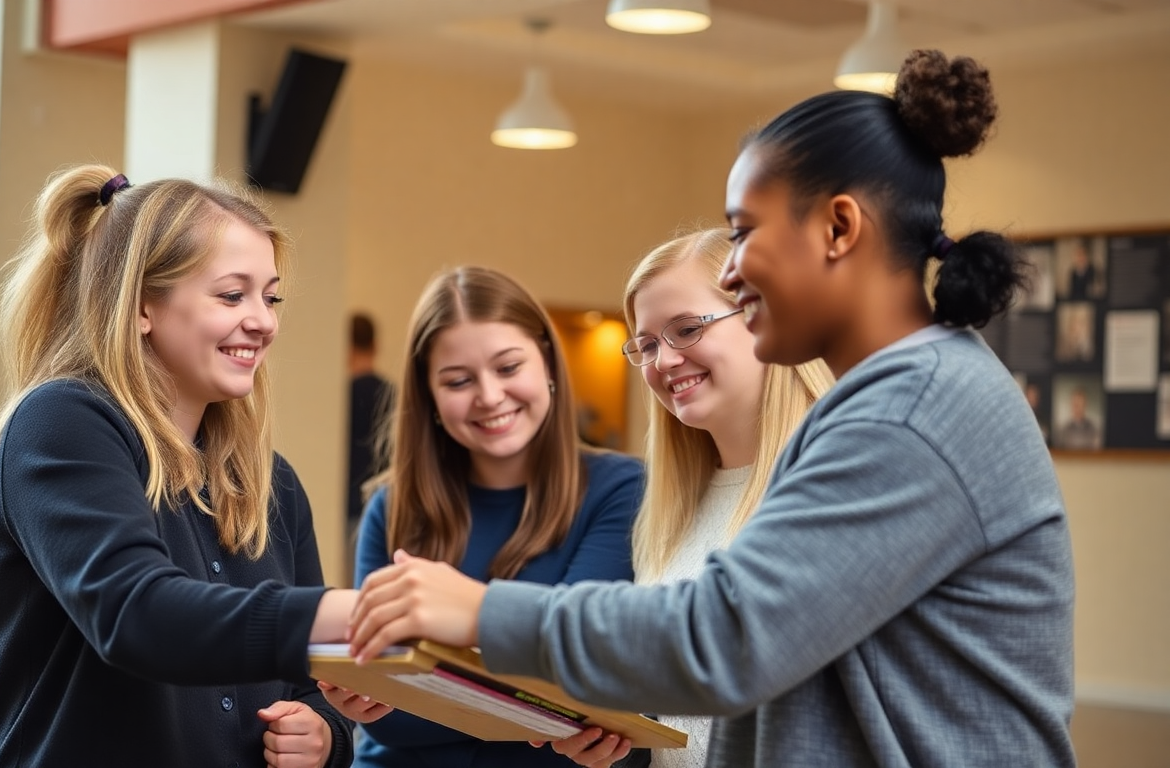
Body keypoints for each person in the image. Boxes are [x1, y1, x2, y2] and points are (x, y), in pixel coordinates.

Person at [348, 49, 1077, 767]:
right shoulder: (886, 400)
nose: (732, 268)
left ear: (839, 228)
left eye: (743, 232)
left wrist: (479, 611)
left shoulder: (913, 409)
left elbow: (728, 637)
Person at [0, 165, 357, 768]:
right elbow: (139, 615)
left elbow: (309, 686)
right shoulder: (61, 425)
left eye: (270, 297)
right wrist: (344, 617)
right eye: (232, 295)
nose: (264, 320)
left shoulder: (273, 484)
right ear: (143, 305)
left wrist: (325, 734)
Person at [320, 265, 645, 768]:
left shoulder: (619, 490)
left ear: (549, 365)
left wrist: (430, 677)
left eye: (509, 367)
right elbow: (391, 717)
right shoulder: (392, 506)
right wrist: (366, 700)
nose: (489, 396)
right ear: (429, 395)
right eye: (458, 380)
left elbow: (571, 683)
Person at [545, 229, 833, 768]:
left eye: (686, 329)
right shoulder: (668, 509)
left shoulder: (836, 485)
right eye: (648, 344)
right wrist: (615, 737)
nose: (665, 360)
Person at [347, 312, 395, 559]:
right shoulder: (391, 393)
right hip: (387, 500)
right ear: (375, 346)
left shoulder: (345, 397)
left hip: (351, 504)